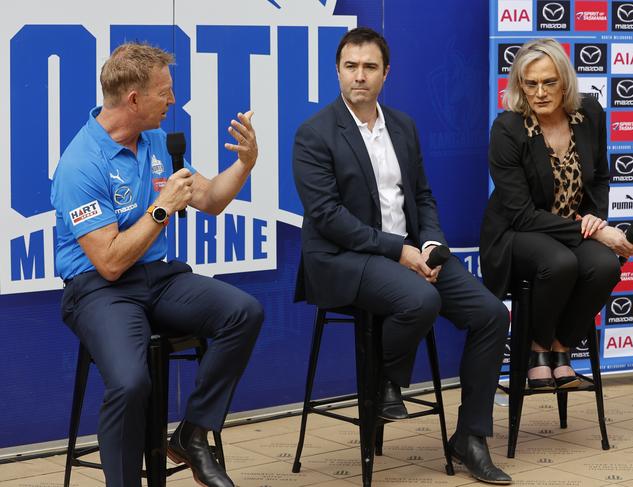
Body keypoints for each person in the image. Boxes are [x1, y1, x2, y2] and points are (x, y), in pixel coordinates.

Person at [292, 27, 512, 484]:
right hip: (341, 258)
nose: (359, 76)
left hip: (409, 252)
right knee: (420, 299)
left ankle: (469, 436)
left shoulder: (404, 126)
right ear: (337, 71)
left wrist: (429, 243)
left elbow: (424, 197)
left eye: (369, 67)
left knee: (491, 314)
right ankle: (383, 384)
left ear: (386, 73)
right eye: (350, 67)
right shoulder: (313, 134)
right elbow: (329, 217)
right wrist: (400, 251)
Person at [51, 43, 264, 487]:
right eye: (165, 93)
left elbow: (209, 199)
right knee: (131, 383)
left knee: (243, 312)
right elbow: (109, 263)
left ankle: (191, 434)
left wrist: (244, 165)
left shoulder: (154, 143)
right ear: (133, 99)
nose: (174, 101)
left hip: (156, 277)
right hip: (97, 289)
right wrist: (161, 210)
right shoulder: (79, 164)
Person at [481, 38, 633, 391]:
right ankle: (536, 350)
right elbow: (520, 214)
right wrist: (595, 232)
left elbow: (599, 177)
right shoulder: (508, 129)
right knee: (561, 262)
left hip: (572, 230)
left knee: (606, 265)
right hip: (517, 233)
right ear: (519, 85)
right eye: (529, 83)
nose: (539, 92)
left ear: (564, 82)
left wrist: (595, 218)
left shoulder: (590, 113)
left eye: (549, 82)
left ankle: (561, 346)